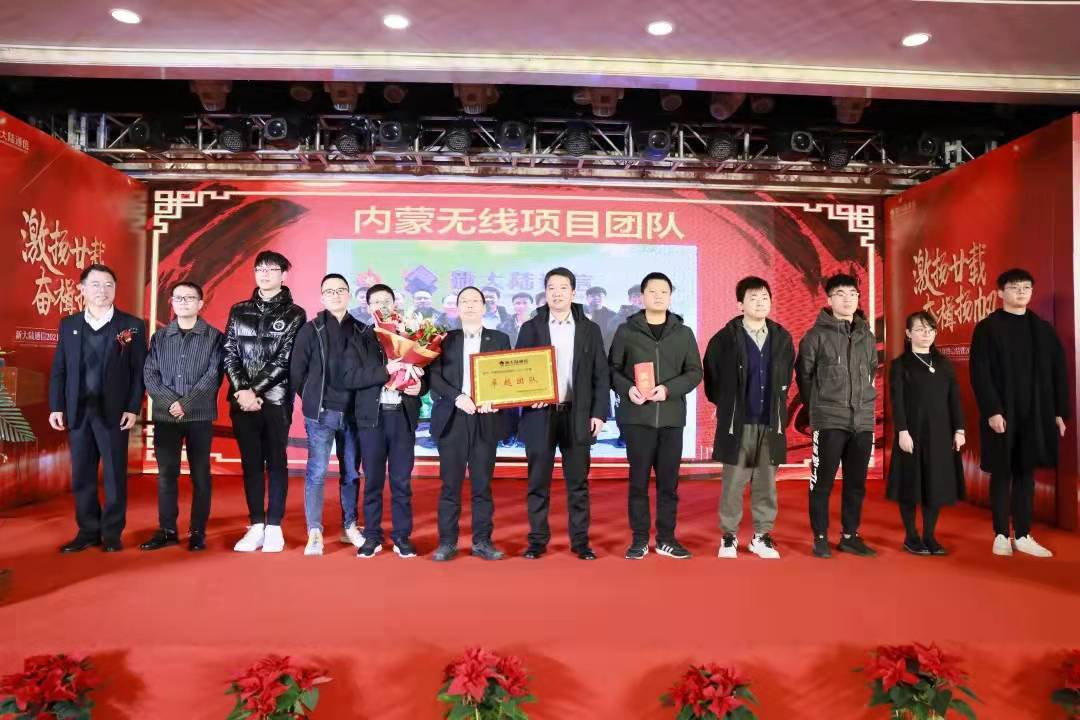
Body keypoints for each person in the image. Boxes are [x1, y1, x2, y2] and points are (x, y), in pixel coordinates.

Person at [49, 264, 147, 553]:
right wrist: (57, 406)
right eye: (95, 284)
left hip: (114, 413)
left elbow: (139, 371)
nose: (102, 290)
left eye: (108, 285)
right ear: (82, 289)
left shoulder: (131, 325)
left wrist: (133, 407)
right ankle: (88, 531)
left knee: (115, 475)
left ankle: (112, 533)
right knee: (82, 475)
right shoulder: (69, 324)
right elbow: (59, 369)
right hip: (78, 412)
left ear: (115, 289)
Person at [970, 268, 1068, 558]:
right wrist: (992, 410)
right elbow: (980, 373)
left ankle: (1023, 534)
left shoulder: (1043, 329)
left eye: (1026, 287)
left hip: (1035, 413)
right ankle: (1001, 534)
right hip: (1001, 412)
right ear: (1000, 292)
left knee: (1026, 473)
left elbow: (1058, 372)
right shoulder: (988, 328)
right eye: (1014, 287)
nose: (1021, 292)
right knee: (1002, 472)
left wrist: (1058, 413)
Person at [516, 267, 609, 560]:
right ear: (545, 292)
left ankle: (580, 542)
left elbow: (600, 375)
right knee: (537, 482)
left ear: (573, 292)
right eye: (551, 288)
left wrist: (599, 413)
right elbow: (519, 370)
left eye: (563, 287)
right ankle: (536, 541)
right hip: (540, 415)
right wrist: (529, 397)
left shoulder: (589, 329)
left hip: (577, 415)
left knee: (578, 483)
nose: (557, 293)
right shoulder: (530, 328)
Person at [610, 272, 702, 560]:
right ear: (642, 297)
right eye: (652, 291)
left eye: (664, 291)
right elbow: (612, 370)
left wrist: (668, 390)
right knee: (638, 482)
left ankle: (666, 539)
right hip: (637, 418)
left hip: (671, 418)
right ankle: (639, 539)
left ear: (671, 297)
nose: (658, 296)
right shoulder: (627, 331)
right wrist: (628, 389)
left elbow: (694, 372)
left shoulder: (683, 333)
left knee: (668, 484)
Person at [703, 276, 794, 560]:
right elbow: (712, 377)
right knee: (733, 483)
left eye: (765, 297)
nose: (760, 302)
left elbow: (787, 375)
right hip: (738, 423)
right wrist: (728, 405)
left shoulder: (782, 338)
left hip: (770, 421)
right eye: (753, 298)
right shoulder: (724, 339)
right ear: (740, 304)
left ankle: (761, 536)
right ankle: (729, 536)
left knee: (766, 483)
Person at [225, 251, 306, 553]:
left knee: (276, 462)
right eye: (260, 269)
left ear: (284, 275)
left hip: (275, 400)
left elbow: (285, 360)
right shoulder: (238, 310)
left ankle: (274, 525)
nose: (265, 274)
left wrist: (255, 391)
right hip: (242, 401)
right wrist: (242, 390)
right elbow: (229, 353)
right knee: (250, 463)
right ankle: (256, 524)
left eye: (271, 269)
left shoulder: (295, 314)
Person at [796, 272, 877, 559]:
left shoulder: (867, 336)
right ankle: (820, 537)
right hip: (829, 420)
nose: (848, 299)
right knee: (822, 482)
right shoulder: (815, 337)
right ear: (829, 300)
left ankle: (850, 536)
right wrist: (817, 410)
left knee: (856, 483)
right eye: (841, 294)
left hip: (862, 421)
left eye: (853, 294)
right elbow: (804, 376)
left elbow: (871, 371)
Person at [428, 286, 512, 561]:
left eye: (476, 301)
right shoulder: (444, 339)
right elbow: (435, 376)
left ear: (485, 307)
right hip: (453, 418)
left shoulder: (499, 339)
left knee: (482, 486)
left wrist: (496, 399)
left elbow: (508, 375)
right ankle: (447, 543)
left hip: (486, 419)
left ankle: (482, 542)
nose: (470, 305)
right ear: (458, 307)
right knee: (450, 486)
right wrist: (457, 397)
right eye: (465, 301)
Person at [140, 280, 223, 552]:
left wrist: (185, 403)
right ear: (172, 303)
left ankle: (198, 531)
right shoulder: (160, 337)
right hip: (166, 418)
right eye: (178, 298)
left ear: (201, 303)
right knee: (166, 475)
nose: (183, 302)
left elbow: (213, 376)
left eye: (190, 298)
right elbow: (149, 374)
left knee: (201, 475)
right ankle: (167, 530)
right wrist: (170, 403)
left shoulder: (214, 337)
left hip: (199, 416)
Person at [290, 273, 366, 556]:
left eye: (340, 290)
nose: (335, 295)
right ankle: (315, 531)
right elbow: (296, 372)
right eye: (329, 291)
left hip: (354, 412)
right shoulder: (310, 330)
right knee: (318, 472)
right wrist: (313, 399)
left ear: (349, 295)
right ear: (322, 297)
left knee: (351, 472)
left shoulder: (362, 330)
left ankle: (350, 526)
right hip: (321, 414)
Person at [355, 284, 430, 558]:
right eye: (376, 302)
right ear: (368, 307)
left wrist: (419, 388)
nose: (383, 305)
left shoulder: (410, 334)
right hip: (372, 419)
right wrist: (385, 370)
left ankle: (401, 536)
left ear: (395, 304)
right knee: (372, 481)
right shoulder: (359, 337)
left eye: (387, 300)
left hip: (402, 416)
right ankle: (372, 536)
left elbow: (427, 374)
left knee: (401, 482)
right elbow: (351, 377)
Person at [888, 311, 966, 556]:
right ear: (908, 334)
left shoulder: (944, 364)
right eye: (920, 330)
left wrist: (959, 429)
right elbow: (897, 402)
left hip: (940, 433)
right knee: (910, 484)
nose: (926, 334)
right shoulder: (900, 365)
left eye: (930, 330)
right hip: (911, 433)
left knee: (935, 484)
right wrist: (902, 431)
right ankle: (911, 536)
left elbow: (954, 400)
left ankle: (929, 535)